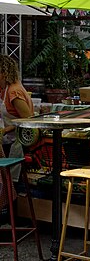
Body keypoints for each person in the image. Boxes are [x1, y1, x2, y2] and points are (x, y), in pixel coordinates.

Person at [0, 54, 34, 212]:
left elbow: (29, 119)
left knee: (11, 181)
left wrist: (6, 129)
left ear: (4, 72)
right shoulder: (6, 90)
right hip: (11, 141)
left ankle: (10, 212)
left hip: (20, 143)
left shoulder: (14, 92)